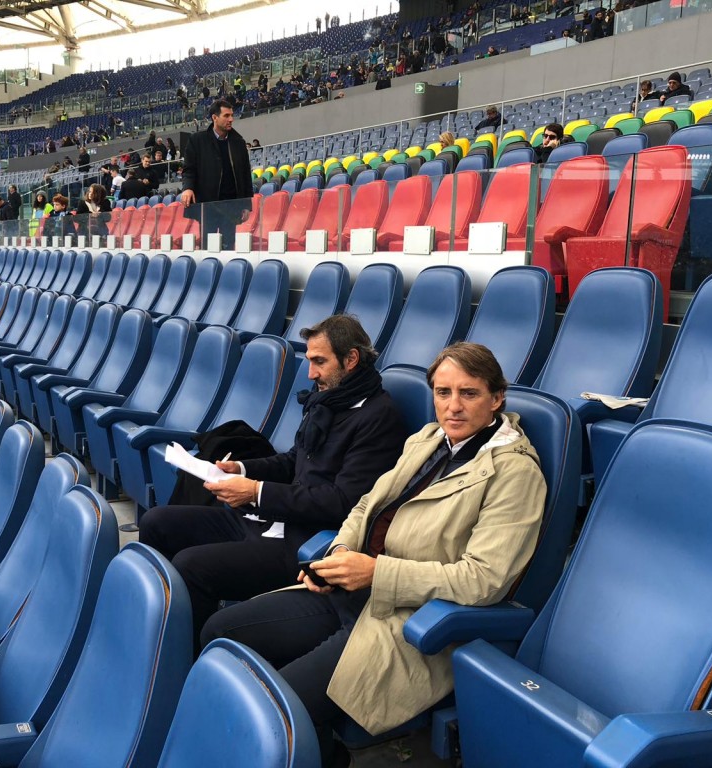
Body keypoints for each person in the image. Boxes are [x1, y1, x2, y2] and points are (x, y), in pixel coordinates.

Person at [202, 343, 547, 765]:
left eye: (469, 393)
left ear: (497, 398)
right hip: (352, 590)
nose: (453, 406)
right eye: (443, 392)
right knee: (220, 633)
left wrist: (376, 572)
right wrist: (340, 553)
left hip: (406, 619)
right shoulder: (428, 439)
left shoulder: (515, 473)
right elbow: (366, 505)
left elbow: (483, 580)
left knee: (277, 709)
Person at [139, 314, 409, 647]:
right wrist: (241, 469)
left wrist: (256, 492)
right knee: (157, 523)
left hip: (303, 541)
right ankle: (153, 629)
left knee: (191, 566)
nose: (311, 373)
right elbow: (293, 460)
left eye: (320, 362)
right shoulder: (326, 400)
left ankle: (185, 657)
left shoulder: (378, 418)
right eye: (309, 361)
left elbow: (342, 502)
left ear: (351, 359)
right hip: (268, 519)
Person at [179, 99, 253, 249]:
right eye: (226, 115)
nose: (231, 119)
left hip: (231, 205)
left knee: (228, 248)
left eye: (231, 115)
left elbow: (245, 175)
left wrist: (246, 205)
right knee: (207, 248)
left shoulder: (239, 142)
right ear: (214, 117)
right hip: (207, 206)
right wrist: (188, 188)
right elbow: (189, 169)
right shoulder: (197, 140)